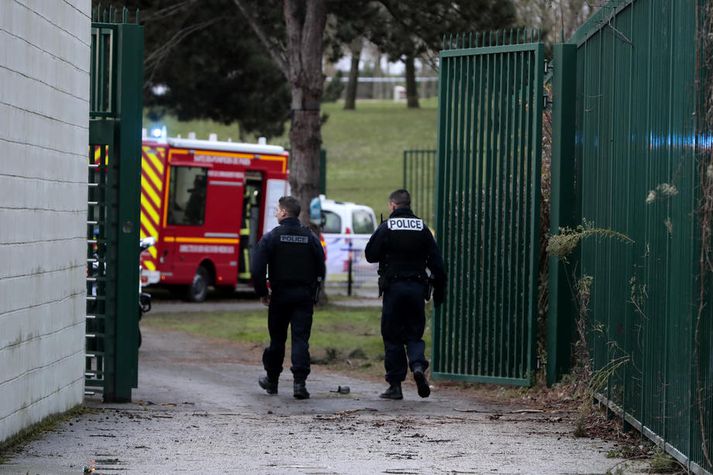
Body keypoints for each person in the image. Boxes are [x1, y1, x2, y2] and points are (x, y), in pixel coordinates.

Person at [365, 189, 446, 400]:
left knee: (392, 335)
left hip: (394, 289)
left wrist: (386, 249)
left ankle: (395, 385)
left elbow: (370, 255)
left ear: (393, 205)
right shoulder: (423, 228)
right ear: (408, 204)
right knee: (414, 333)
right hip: (417, 289)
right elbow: (437, 264)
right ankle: (418, 366)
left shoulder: (387, 226)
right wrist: (440, 292)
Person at [251, 196, 326, 399]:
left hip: (280, 296)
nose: (276, 213)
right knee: (301, 339)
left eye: (277, 210)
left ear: (284, 213)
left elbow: (257, 269)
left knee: (277, 340)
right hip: (303, 296)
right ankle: (299, 384)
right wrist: (315, 289)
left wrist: (262, 293)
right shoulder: (309, 237)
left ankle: (272, 381)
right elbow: (321, 264)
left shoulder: (271, 237)